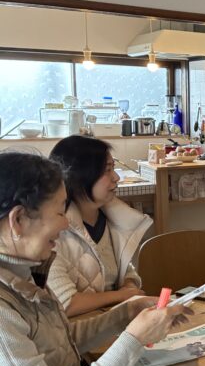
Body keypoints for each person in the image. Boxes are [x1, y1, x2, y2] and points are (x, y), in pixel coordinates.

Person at [0, 151, 192, 366]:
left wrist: (124, 315)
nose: (66, 224)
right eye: (60, 212)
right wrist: (135, 338)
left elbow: (60, 342)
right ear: (19, 220)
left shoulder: (24, 272)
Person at [47, 135, 152, 316]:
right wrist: (121, 296)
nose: (116, 177)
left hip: (113, 319)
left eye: (114, 168)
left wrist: (129, 285)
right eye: (107, 170)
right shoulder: (53, 230)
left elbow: (127, 272)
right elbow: (66, 303)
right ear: (80, 176)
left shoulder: (115, 219)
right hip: (76, 327)